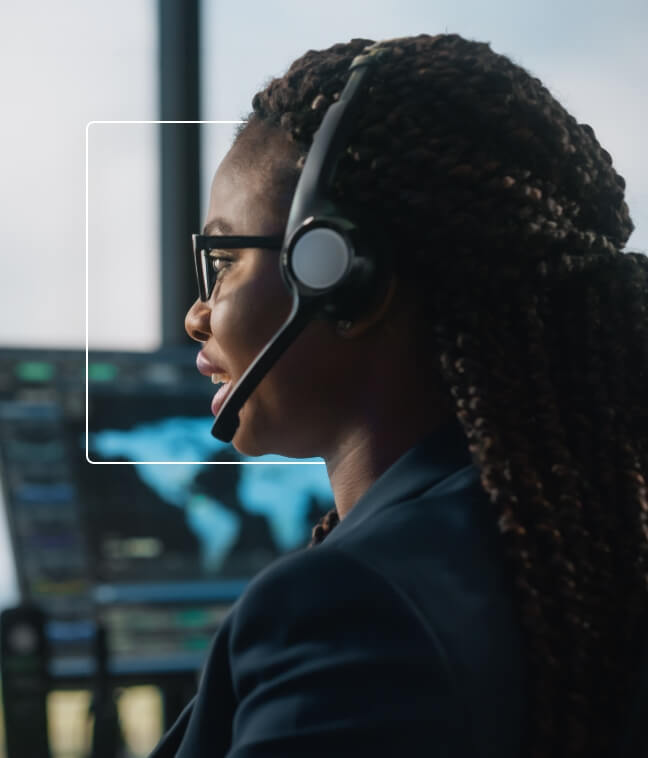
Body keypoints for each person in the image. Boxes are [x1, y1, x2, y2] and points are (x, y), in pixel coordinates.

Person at [149, 34, 648, 757]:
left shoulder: (352, 609)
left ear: (341, 276)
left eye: (224, 262)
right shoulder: (576, 541)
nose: (197, 314)